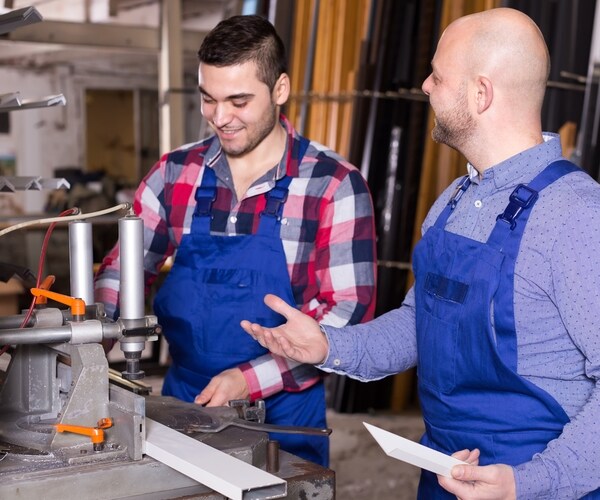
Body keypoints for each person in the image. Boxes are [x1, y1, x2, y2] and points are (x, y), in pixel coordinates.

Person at [241, 8, 600, 499]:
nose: (426, 86)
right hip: (444, 473)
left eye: (437, 75)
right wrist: (328, 347)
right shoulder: (453, 203)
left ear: (481, 93)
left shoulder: (576, 217)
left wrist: (528, 483)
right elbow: (419, 323)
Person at [94, 14, 377, 467]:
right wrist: (94, 339)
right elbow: (123, 268)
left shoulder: (333, 185)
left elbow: (346, 315)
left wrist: (251, 378)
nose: (220, 118)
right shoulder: (174, 173)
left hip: (282, 407)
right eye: (209, 99)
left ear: (279, 90)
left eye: (238, 101)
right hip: (184, 395)